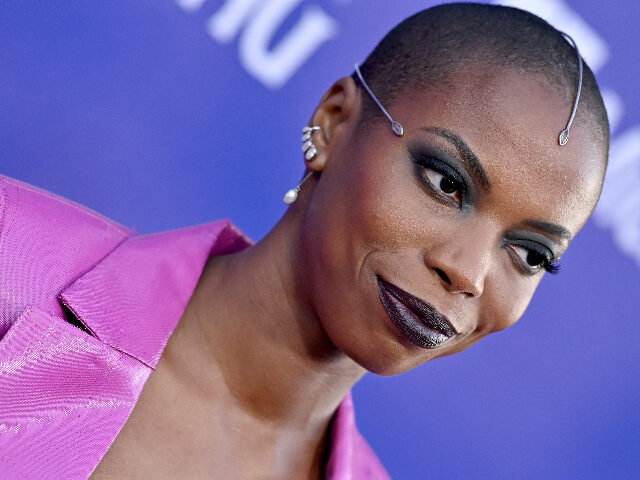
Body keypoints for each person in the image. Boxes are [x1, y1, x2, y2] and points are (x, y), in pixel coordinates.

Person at [0, 2, 609, 479]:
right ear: (334, 122)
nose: (468, 272)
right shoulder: (13, 262)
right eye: (446, 182)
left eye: (530, 253)